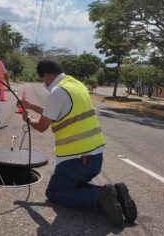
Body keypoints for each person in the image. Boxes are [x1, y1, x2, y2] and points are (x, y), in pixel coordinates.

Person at [17, 60, 137, 227]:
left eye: (43, 78)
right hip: (95, 158)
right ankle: (115, 194)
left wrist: (28, 118)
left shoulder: (57, 92)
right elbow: (56, 112)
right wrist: (30, 106)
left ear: (48, 76)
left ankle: (100, 198)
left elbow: (42, 126)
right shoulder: (76, 85)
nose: (44, 83)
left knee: (54, 192)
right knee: (72, 185)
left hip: (76, 160)